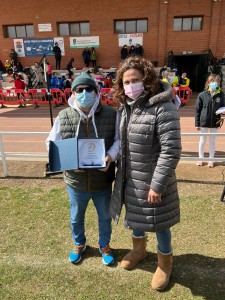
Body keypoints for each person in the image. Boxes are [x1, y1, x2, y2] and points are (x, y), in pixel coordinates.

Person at [110, 56, 181, 291]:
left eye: (136, 80)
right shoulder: (126, 108)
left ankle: (165, 263)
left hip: (153, 182)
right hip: (131, 179)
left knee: (160, 224)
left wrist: (157, 185)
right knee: (135, 216)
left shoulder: (163, 107)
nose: (131, 85)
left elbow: (171, 150)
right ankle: (139, 249)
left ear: (147, 80)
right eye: (126, 81)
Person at [46, 72, 119, 266]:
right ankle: (79, 244)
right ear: (73, 92)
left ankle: (105, 245)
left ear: (96, 92)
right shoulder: (63, 115)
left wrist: (110, 157)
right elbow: (52, 143)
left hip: (102, 181)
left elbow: (119, 141)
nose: (84, 93)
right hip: (76, 183)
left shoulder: (111, 114)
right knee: (76, 217)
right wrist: (69, 162)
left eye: (89, 89)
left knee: (104, 216)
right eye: (80, 90)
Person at [195, 74, 225, 168]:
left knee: (213, 141)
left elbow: (223, 106)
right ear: (208, 83)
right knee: (202, 140)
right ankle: (201, 158)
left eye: (216, 81)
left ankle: (211, 159)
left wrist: (223, 112)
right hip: (204, 122)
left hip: (215, 122)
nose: (214, 83)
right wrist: (197, 123)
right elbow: (197, 110)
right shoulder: (202, 95)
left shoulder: (221, 95)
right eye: (212, 81)